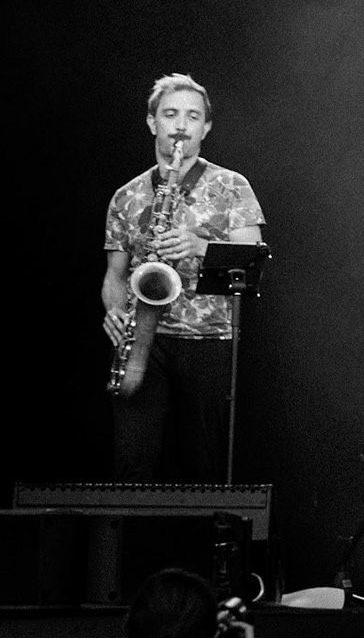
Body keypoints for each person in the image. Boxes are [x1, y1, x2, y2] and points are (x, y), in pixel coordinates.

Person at [103, 74, 264, 482]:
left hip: (209, 340)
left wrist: (197, 246)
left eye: (193, 117)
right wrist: (114, 311)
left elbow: (251, 260)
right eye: (170, 114)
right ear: (151, 121)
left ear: (206, 128)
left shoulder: (232, 186)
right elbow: (115, 276)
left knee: (203, 467)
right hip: (143, 340)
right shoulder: (126, 196)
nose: (180, 126)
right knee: (132, 466)